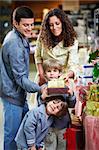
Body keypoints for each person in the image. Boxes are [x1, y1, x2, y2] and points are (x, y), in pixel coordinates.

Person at [0, 6, 44, 150]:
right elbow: (20, 78)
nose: (30, 28)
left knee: (25, 132)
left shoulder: (21, 37)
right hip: (12, 95)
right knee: (12, 136)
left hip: (18, 94)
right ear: (15, 23)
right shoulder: (14, 43)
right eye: (25, 25)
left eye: (31, 24)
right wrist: (41, 88)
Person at [37, 59, 76, 150]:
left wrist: (71, 95)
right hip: (49, 126)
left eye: (55, 71)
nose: (52, 73)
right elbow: (39, 107)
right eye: (49, 71)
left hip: (63, 124)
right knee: (50, 146)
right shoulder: (43, 88)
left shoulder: (65, 87)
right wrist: (42, 97)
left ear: (59, 73)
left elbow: (71, 105)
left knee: (62, 147)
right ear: (45, 74)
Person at [35, 8, 79, 86]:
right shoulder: (42, 37)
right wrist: (41, 75)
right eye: (51, 25)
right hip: (44, 77)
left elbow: (73, 64)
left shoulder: (72, 40)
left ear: (63, 23)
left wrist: (67, 75)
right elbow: (38, 56)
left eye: (57, 23)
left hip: (63, 79)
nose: (54, 28)